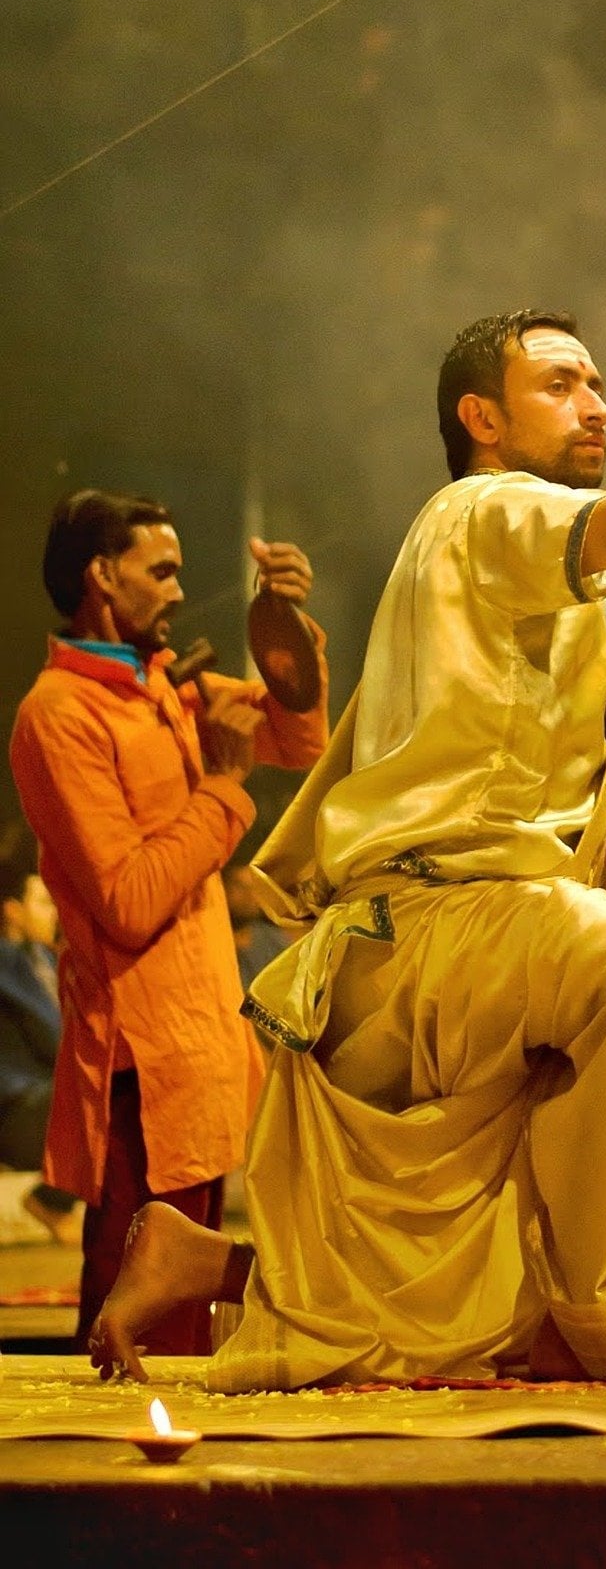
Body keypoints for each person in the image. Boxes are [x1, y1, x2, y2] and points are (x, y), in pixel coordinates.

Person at [88, 308, 606, 1392]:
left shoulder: (472, 559)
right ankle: (605, 1322)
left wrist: (598, 851)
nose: (596, 404)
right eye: (561, 384)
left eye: (599, 384)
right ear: (483, 418)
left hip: (424, 938)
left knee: (437, 1275)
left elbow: (458, 789)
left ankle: (212, 1261)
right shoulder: (486, 506)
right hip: (423, 941)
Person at [9, 489, 329, 1353]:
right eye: (163, 570)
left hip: (197, 1053)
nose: (180, 591)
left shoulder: (160, 685)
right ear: (101, 577)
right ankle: (103, 1490)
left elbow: (300, 736)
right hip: (137, 1072)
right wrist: (224, 788)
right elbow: (126, 900)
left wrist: (282, 624)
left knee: (188, 1332)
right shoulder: (58, 715)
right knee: (136, 1333)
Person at [0, 844, 79, 1242]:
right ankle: (52, 1200)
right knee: (99, 1093)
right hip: (15, 1105)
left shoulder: (43, 960)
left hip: (45, 1096)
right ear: (13, 910)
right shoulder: (5, 961)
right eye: (44, 902)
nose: (54, 912)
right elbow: (55, 1035)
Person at [223, 862, 291, 993]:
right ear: (224, 889)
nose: (250, 896)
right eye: (240, 886)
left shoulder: (275, 942)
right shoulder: (208, 940)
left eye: (255, 888)